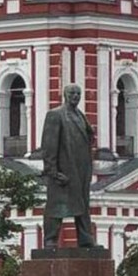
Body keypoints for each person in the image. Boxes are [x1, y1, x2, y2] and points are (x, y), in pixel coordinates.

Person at [41, 83, 97, 249]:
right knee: (56, 206)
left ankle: (85, 239)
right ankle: (50, 239)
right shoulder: (55, 115)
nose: (75, 96)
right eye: (72, 93)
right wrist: (52, 170)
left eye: (78, 94)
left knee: (82, 206)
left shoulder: (80, 116)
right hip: (64, 169)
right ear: (65, 94)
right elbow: (49, 144)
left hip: (81, 169)